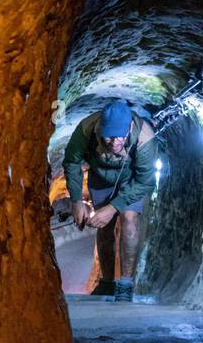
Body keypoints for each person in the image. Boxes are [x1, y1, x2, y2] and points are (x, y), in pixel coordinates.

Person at [62, 99, 156, 302]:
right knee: (104, 227)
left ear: (130, 127)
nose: (114, 143)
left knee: (129, 219)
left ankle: (125, 285)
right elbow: (72, 162)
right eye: (108, 137)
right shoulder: (87, 128)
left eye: (119, 137)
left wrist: (114, 207)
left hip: (131, 181)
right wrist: (76, 200)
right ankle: (106, 284)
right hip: (101, 177)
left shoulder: (144, 137)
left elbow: (146, 182)